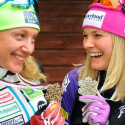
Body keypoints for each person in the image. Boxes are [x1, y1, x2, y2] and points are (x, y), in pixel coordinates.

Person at [0, 0, 65, 124]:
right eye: (20, 35)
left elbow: (46, 107)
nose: (30, 49)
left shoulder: (33, 68)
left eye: (33, 38)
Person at [61, 0, 125, 125]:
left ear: (120, 42)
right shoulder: (74, 80)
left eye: (97, 35)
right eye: (85, 36)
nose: (86, 44)